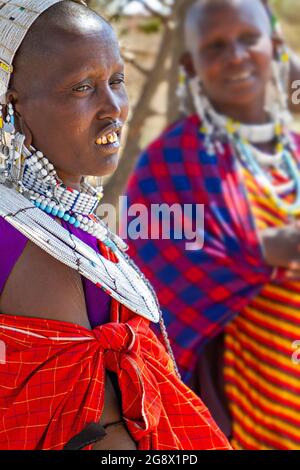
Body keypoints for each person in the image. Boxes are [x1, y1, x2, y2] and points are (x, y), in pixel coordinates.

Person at [0, 0, 230, 451]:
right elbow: (93, 433)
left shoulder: (56, 222)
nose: (114, 108)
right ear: (15, 107)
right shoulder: (37, 242)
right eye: (83, 87)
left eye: (117, 81)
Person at [125, 0, 300, 450]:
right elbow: (152, 278)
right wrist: (269, 247)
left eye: (249, 39)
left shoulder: (293, 149)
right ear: (191, 63)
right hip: (243, 397)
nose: (236, 56)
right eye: (216, 45)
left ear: (276, 46)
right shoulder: (171, 161)